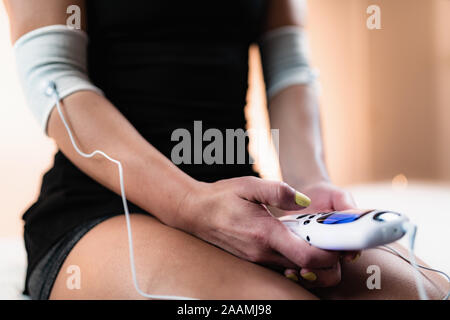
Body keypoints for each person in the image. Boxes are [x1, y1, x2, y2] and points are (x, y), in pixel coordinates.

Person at [5, 0, 447, 300]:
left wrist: (310, 187)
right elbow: (54, 76)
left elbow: (289, 66)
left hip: (243, 202)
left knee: (427, 292)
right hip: (103, 207)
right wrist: (187, 201)